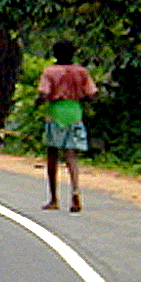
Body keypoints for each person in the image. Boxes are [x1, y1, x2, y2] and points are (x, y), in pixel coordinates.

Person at [36, 39, 98, 213]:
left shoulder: (49, 72)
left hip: (55, 113)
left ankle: (54, 198)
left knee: (52, 155)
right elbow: (91, 94)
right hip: (74, 113)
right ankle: (76, 191)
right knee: (71, 155)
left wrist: (39, 101)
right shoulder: (81, 72)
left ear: (54, 54)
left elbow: (44, 92)